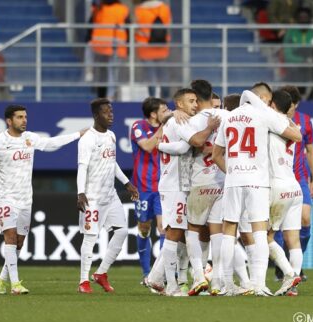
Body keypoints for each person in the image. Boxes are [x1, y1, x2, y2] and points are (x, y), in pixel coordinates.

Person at [0, 104, 85, 295]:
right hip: (5, 197)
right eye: (20, 117)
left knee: (19, 243)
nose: (24, 120)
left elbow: (51, 143)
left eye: (25, 117)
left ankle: (1, 280)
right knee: (10, 237)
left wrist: (77, 135)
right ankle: (15, 285)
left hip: (25, 199)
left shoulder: (30, 138)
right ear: (9, 120)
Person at [212, 89, 302, 296]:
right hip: (257, 181)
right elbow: (295, 135)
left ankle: (227, 285)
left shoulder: (229, 117)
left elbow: (217, 154)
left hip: (234, 180)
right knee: (260, 231)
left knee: (229, 232)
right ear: (260, 100)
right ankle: (259, 285)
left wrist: (232, 171)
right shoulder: (264, 115)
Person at [146, 88, 219, 296]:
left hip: (182, 184)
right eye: (191, 101)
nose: (195, 105)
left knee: (181, 236)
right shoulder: (178, 121)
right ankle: (171, 285)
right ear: (179, 104)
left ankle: (157, 279)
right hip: (173, 185)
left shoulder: (179, 119)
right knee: (174, 234)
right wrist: (161, 145)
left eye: (196, 100)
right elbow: (185, 146)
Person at [77, 98, 139, 294]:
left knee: (121, 231)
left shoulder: (111, 136)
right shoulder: (88, 138)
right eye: (106, 112)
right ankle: (83, 281)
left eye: (111, 111)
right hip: (92, 197)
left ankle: (101, 273)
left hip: (110, 195)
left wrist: (127, 183)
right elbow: (82, 167)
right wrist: (80, 192)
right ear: (96, 115)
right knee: (90, 237)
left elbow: (112, 163)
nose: (110, 115)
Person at [273, 85, 313, 285]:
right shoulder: (272, 118)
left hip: (299, 178)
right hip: (278, 178)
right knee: (279, 225)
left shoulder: (306, 121)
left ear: (296, 105)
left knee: (305, 220)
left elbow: (310, 150)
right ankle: (283, 267)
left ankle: (295, 264)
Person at [265, 90, 303, 296]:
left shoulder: (271, 122)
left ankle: (288, 274)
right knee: (293, 239)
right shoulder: (292, 124)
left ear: (272, 104)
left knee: (264, 235)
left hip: (277, 185)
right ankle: (292, 286)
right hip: (294, 186)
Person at [130, 97, 170, 284]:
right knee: (144, 228)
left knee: (163, 228)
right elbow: (146, 146)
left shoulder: (171, 126)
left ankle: (158, 275)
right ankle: (146, 272)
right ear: (154, 114)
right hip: (143, 187)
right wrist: (163, 127)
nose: (168, 112)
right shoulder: (138, 126)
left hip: (163, 185)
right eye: (164, 110)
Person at [88, 0, 130, 99]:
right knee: (112, 72)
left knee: (103, 72)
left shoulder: (99, 8)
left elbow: (90, 25)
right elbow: (128, 28)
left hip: (101, 45)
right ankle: (110, 96)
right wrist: (128, 47)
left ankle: (103, 96)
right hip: (114, 45)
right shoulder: (122, 9)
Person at [134, 0, 172, 99]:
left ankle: (153, 99)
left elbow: (137, 28)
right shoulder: (164, 8)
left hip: (145, 48)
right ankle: (165, 98)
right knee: (163, 74)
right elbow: (168, 25)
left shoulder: (139, 10)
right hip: (162, 46)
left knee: (150, 75)